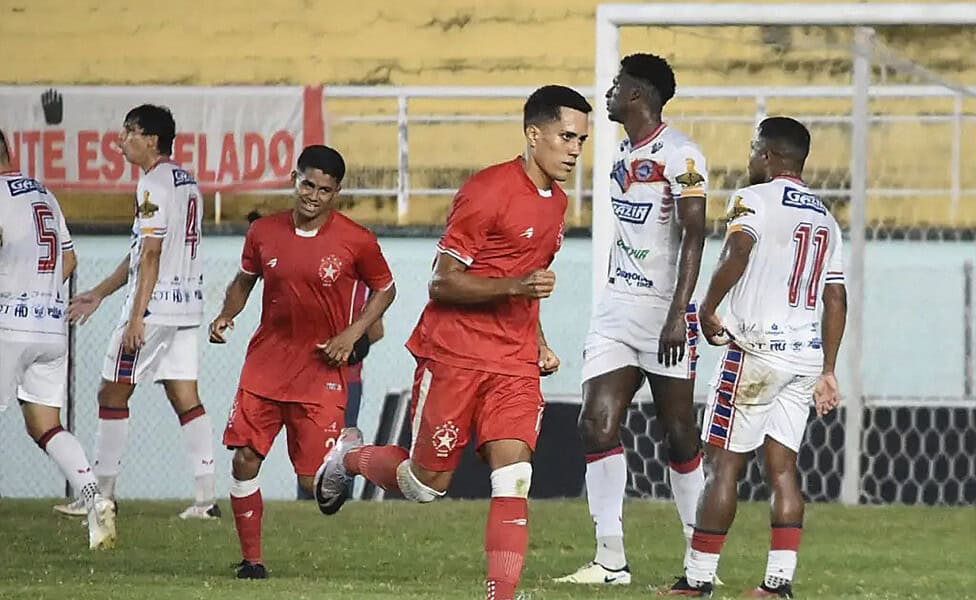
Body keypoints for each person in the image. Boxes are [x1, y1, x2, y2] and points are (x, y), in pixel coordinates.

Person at [314, 85, 592, 600]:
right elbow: (442, 283)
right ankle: (348, 457)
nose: (575, 150)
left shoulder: (557, 203)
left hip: (513, 362)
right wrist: (516, 287)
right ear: (534, 134)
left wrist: (538, 340)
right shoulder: (486, 191)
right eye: (566, 137)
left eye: (581, 140)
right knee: (424, 486)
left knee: (514, 477)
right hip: (455, 355)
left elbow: (527, 279)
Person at [664, 117, 846, 598]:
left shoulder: (754, 199)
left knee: (723, 465)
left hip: (754, 353)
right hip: (804, 359)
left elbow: (738, 250)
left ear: (767, 155)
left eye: (752, 150)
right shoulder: (825, 217)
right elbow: (835, 297)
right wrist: (829, 369)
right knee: (783, 469)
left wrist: (707, 308)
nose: (748, 159)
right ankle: (777, 584)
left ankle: (697, 580)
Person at [556, 53, 708, 586]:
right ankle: (610, 559)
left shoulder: (682, 154)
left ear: (638, 94)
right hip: (616, 309)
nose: (609, 92)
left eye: (617, 84)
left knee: (679, 434)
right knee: (594, 423)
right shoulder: (622, 151)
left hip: (665, 313)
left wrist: (678, 312)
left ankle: (699, 558)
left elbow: (695, 233)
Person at [209, 145, 395, 579]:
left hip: (319, 371)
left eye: (324, 190)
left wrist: (352, 334)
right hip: (265, 367)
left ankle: (348, 453)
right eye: (307, 185)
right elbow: (244, 280)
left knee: (315, 486)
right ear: (295, 180)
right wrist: (226, 315)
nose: (313, 196)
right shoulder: (264, 232)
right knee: (244, 459)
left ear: (336, 193)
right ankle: (252, 561)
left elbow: (386, 290)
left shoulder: (357, 240)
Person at [58, 105, 218, 520]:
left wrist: (136, 317)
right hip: (187, 306)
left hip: (154, 308)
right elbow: (140, 251)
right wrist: (99, 293)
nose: (120, 140)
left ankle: (100, 496)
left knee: (111, 393)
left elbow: (151, 255)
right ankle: (206, 499)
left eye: (129, 131)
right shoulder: (187, 182)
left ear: (151, 140)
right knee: (185, 396)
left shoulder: (152, 183)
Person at [0, 129, 117, 549]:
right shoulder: (43, 194)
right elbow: (68, 258)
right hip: (50, 326)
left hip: (8, 324)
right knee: (46, 425)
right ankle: (94, 498)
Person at [296, 286, 384, 500]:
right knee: (314, 442)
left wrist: (345, 346)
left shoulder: (368, 283)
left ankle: (335, 500)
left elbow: (376, 331)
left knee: (336, 442)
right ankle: (318, 501)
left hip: (343, 379)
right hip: (314, 377)